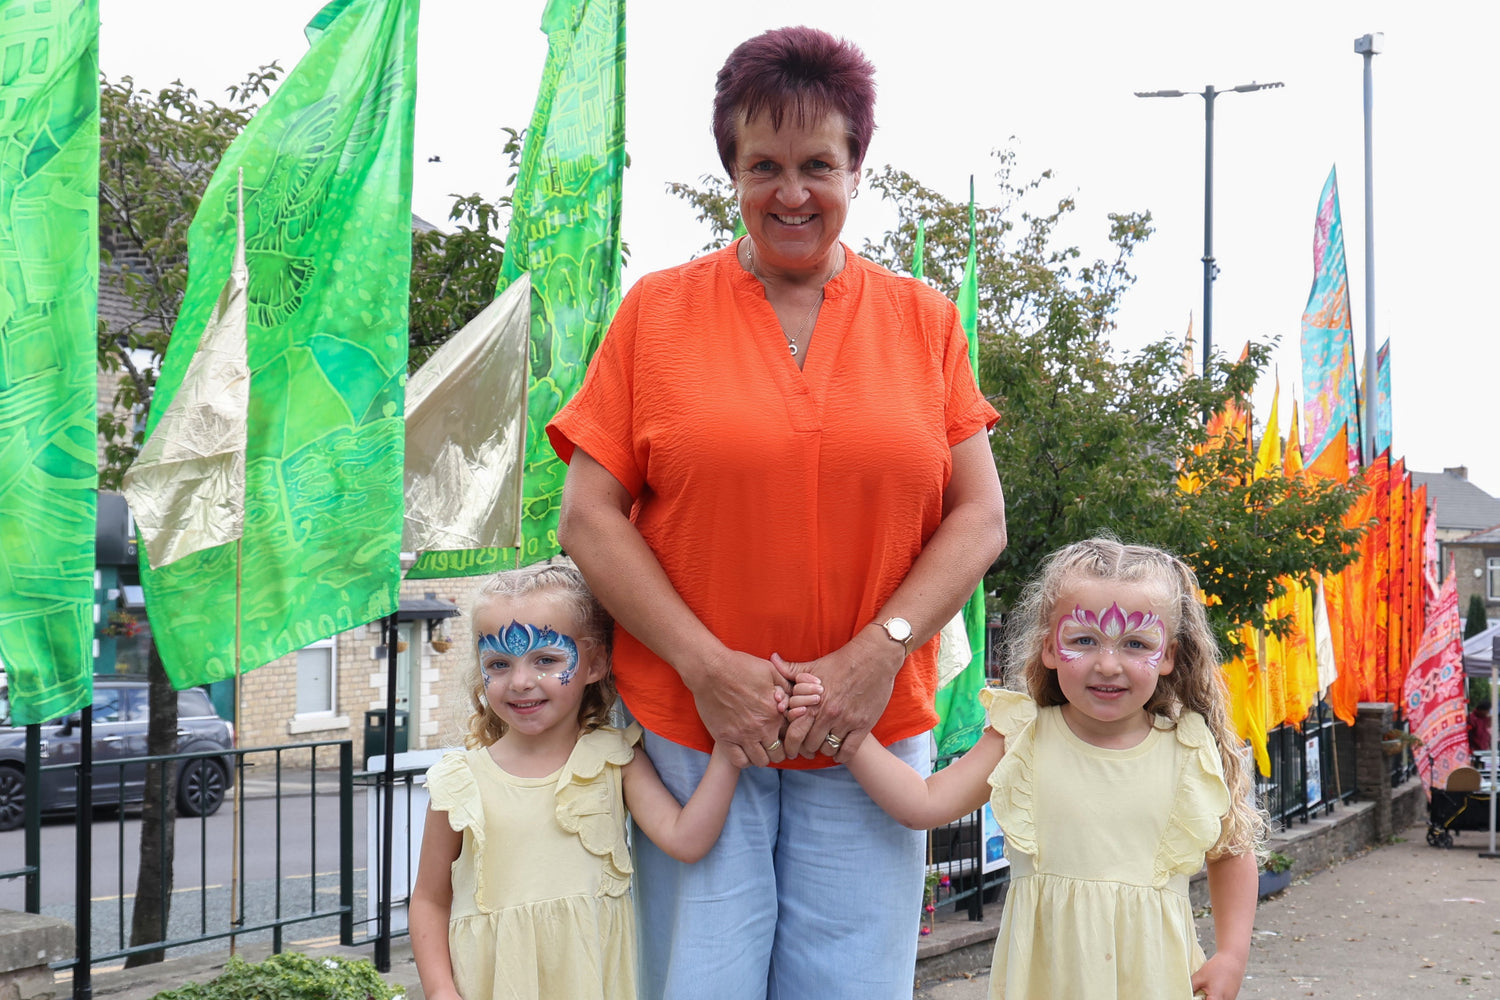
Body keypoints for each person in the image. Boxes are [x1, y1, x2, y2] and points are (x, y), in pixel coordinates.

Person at [546, 25, 1007, 999]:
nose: (792, 192)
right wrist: (707, 668)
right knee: (697, 982)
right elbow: (589, 517)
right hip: (693, 724)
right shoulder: (656, 314)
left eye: (817, 165)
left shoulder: (924, 322)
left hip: (870, 729)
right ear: (732, 170)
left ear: (855, 169)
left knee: (854, 985)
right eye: (764, 166)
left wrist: (877, 651)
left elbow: (979, 518)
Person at [788, 538, 1264, 1000]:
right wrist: (846, 736)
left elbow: (1231, 851)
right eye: (1083, 639)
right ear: (1050, 649)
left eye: (1137, 644)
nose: (1108, 664)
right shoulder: (1020, 736)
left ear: (1170, 657)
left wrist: (1232, 954)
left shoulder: (1189, 748)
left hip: (1157, 982)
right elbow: (922, 803)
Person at [408, 561, 742, 1000]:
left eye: (546, 659)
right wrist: (439, 991)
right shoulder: (461, 782)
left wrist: (730, 752)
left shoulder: (612, 759)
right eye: (499, 663)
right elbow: (429, 900)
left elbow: (686, 839)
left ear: (596, 663)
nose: (521, 681)